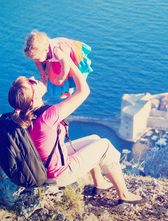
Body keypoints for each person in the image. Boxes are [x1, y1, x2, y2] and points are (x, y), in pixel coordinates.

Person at [8, 47, 145, 205]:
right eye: (31, 82)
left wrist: (43, 62)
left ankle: (99, 183)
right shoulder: (47, 116)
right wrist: (67, 60)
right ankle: (124, 195)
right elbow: (84, 91)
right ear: (33, 99)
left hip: (43, 165)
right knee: (105, 146)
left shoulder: (22, 114)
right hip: (58, 174)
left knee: (95, 139)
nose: (33, 78)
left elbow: (43, 84)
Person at [24, 29, 92, 99]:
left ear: (46, 50)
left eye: (37, 59)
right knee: (51, 74)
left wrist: (61, 78)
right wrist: (41, 71)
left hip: (68, 55)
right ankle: (66, 90)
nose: (36, 61)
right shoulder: (40, 52)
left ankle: (69, 89)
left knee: (67, 74)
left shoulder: (57, 51)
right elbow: (37, 62)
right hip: (55, 58)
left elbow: (66, 65)